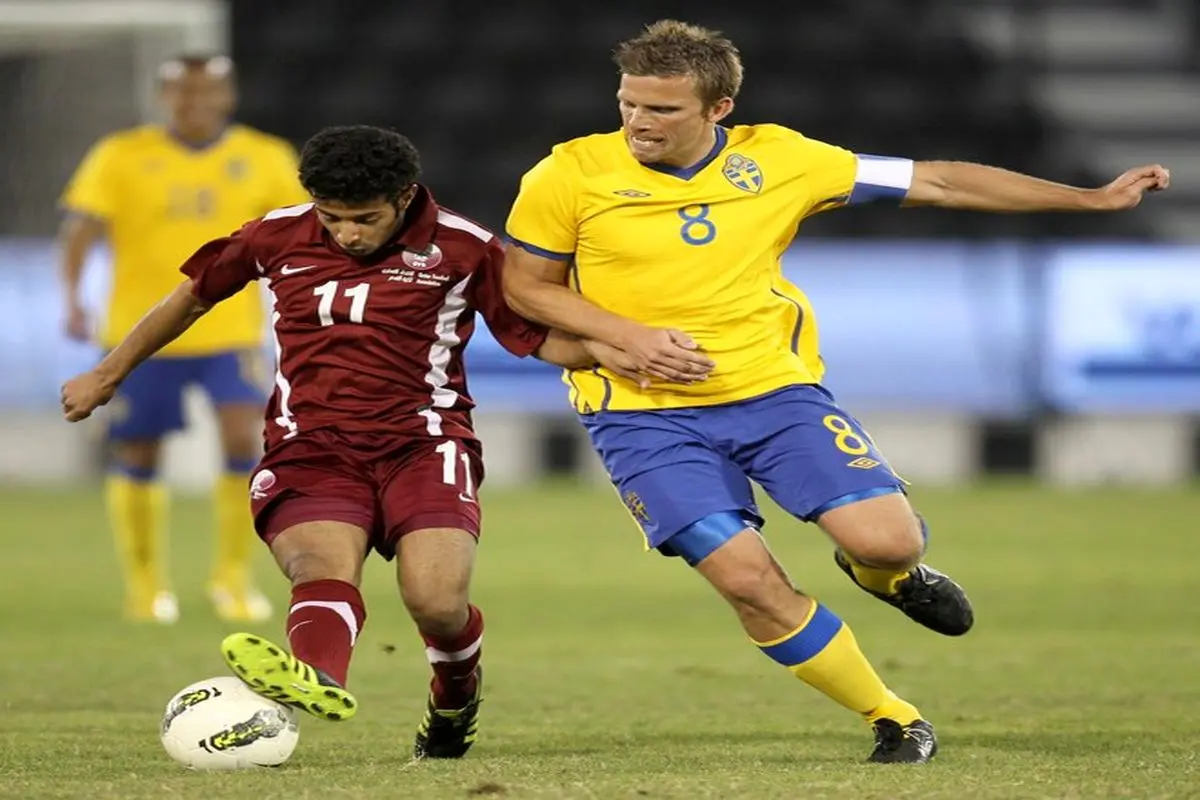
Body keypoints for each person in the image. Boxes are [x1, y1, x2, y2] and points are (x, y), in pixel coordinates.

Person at [500, 19, 1170, 764]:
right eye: (628, 103)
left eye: (662, 109)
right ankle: (893, 716)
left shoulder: (782, 159)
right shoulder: (567, 174)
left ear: (718, 109)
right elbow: (525, 288)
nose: (637, 122)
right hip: (640, 413)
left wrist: (1089, 199)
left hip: (773, 393)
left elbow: (939, 181)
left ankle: (886, 575)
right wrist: (626, 336)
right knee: (747, 581)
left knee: (888, 540)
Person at [61, 125, 642, 760]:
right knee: (319, 566)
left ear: (405, 197)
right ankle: (317, 678)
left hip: (424, 443)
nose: (347, 234)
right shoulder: (274, 235)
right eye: (331, 217)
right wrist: (107, 373)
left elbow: (535, 337)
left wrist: (614, 350)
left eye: (365, 219)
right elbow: (191, 298)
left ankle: (456, 690)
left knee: (436, 602)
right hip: (310, 447)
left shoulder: (465, 249)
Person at [59, 54, 311, 624]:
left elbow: (301, 230)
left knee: (245, 438)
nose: (195, 102)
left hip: (231, 329)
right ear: (163, 97)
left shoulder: (265, 155)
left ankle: (232, 579)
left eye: (207, 91)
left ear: (228, 96)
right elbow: (80, 228)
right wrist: (73, 298)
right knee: (139, 451)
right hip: (140, 332)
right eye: (183, 91)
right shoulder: (120, 154)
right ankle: (147, 587)